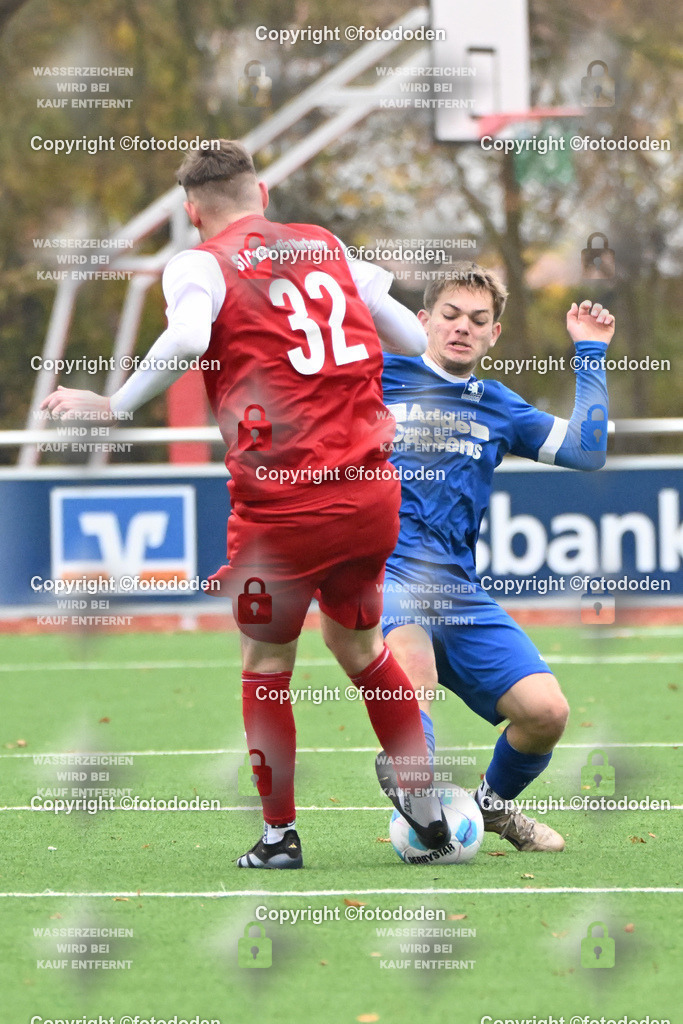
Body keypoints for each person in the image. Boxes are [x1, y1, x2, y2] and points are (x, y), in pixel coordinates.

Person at [41, 140, 450, 868]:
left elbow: (192, 334)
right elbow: (414, 337)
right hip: (366, 494)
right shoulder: (323, 245)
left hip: (281, 507)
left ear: (193, 212)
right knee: (359, 646)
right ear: (262, 196)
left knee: (266, 662)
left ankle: (279, 837)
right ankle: (426, 810)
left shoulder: (199, 261)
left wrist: (114, 405)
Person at [377, 263, 615, 851]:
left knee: (546, 713)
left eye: (478, 320)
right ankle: (420, 794)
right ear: (423, 321)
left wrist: (589, 353)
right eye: (451, 316)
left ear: (494, 335)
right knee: (415, 667)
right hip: (385, 566)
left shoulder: (500, 406)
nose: (463, 328)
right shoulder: (377, 377)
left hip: (458, 588)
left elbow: (587, 451)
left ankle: (492, 808)